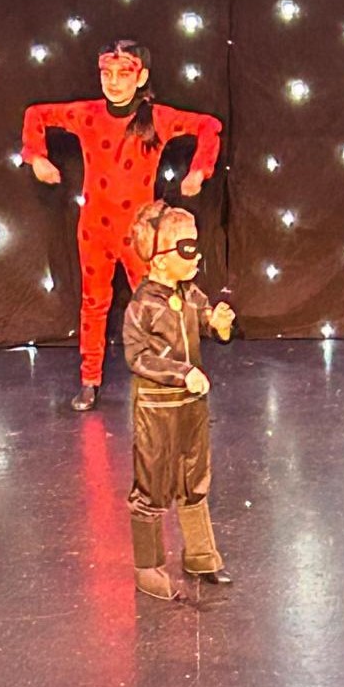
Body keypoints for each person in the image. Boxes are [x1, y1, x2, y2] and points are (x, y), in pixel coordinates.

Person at [22, 39, 222, 411]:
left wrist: (199, 171)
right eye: (107, 74)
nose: (114, 82)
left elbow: (209, 126)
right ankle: (90, 380)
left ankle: (171, 375)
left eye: (123, 74)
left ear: (141, 77)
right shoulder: (88, 113)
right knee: (93, 304)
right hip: (94, 229)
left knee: (156, 304)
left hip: (140, 234)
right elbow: (36, 114)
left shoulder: (156, 118)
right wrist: (37, 157)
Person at [123, 201, 235, 600]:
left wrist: (218, 323)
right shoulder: (142, 306)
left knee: (194, 477)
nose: (196, 256)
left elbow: (204, 315)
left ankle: (201, 554)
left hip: (191, 407)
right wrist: (182, 373)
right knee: (153, 483)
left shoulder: (189, 294)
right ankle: (148, 565)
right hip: (157, 410)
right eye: (186, 249)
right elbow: (138, 356)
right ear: (159, 258)